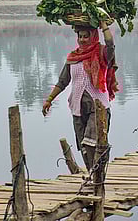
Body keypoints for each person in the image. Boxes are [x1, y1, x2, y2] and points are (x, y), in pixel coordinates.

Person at [42, 20, 118, 171]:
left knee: (92, 143)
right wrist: (49, 100)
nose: (82, 39)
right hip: (77, 108)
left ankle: (98, 177)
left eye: (86, 36)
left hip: (98, 108)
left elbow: (111, 45)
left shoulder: (101, 53)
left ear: (93, 37)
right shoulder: (73, 58)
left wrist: (104, 26)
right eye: (80, 36)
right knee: (83, 146)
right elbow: (62, 82)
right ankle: (92, 175)